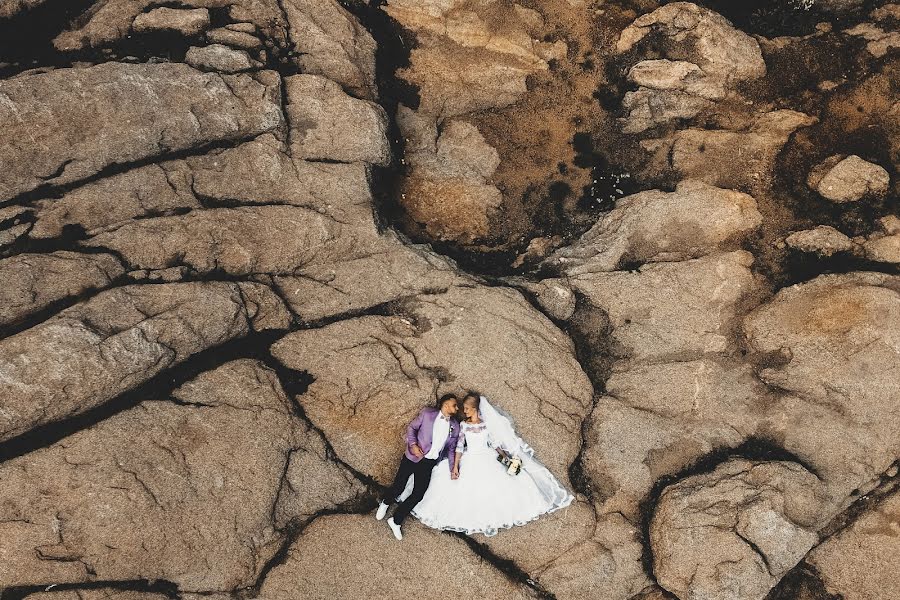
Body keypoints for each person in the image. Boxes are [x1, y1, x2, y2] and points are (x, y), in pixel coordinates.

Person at [407, 392, 573, 536]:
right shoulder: (463, 425)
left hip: (487, 457)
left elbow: (494, 443)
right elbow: (458, 447)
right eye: (463, 408)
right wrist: (455, 466)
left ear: (475, 409)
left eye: (467, 408)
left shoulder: (486, 425)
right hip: (470, 457)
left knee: (496, 489)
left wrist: (505, 457)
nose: (464, 411)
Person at [375, 393, 460, 540]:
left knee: (418, 494)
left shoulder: (455, 426)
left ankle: (396, 520)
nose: (457, 408)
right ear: (446, 404)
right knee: (399, 486)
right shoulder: (428, 414)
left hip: (429, 462)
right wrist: (413, 445)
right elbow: (412, 428)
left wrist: (453, 468)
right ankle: (386, 502)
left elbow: (451, 449)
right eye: (455, 405)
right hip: (413, 456)